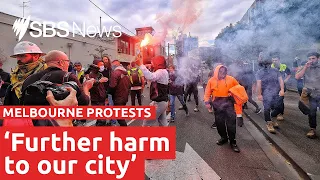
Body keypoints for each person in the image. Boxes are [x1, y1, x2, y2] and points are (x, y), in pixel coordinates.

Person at [21, 50, 94, 126]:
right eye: (67, 61)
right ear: (61, 62)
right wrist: (86, 87)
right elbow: (84, 102)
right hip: (59, 124)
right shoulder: (68, 77)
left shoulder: (29, 79)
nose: (68, 65)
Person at [204, 65, 240, 152]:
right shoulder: (211, 81)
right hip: (217, 103)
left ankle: (233, 142)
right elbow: (207, 92)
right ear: (217, 72)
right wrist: (207, 103)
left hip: (229, 103)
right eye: (221, 72)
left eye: (224, 72)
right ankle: (223, 138)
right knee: (219, 123)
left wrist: (234, 93)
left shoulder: (231, 79)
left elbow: (238, 88)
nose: (223, 74)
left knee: (231, 123)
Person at [4, 41, 47, 105]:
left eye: (22, 56)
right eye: (17, 56)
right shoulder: (14, 76)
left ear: (36, 56)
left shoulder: (46, 74)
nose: (18, 59)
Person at [136, 55, 169, 127]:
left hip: (159, 103)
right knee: (163, 124)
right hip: (161, 102)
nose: (152, 63)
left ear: (158, 63)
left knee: (146, 123)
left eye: (154, 62)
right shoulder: (163, 71)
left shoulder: (161, 71)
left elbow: (151, 77)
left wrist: (141, 65)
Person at [256, 59, 285, 134]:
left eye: (268, 64)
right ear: (262, 65)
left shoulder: (275, 70)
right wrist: (259, 94)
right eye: (265, 64)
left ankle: (273, 119)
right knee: (267, 108)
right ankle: (269, 123)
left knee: (278, 107)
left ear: (270, 64)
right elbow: (258, 84)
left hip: (276, 91)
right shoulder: (259, 72)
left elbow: (280, 80)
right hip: (265, 92)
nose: (267, 66)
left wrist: (282, 89)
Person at [295, 52, 320, 138]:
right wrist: (305, 67)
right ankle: (312, 129)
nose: (311, 60)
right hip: (310, 93)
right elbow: (297, 77)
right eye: (309, 59)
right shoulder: (304, 67)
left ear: (318, 59)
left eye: (313, 58)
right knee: (312, 112)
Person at [108, 59, 131, 126]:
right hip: (124, 96)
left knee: (119, 117)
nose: (112, 67)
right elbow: (129, 85)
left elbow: (112, 86)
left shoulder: (115, 73)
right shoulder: (125, 73)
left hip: (118, 97)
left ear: (115, 65)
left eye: (112, 65)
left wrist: (109, 94)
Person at [87, 60, 109, 126]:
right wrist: (99, 81)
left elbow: (103, 86)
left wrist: (106, 96)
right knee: (100, 117)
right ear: (95, 65)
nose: (102, 66)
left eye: (103, 64)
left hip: (101, 97)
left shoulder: (100, 74)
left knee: (101, 117)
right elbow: (91, 85)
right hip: (96, 98)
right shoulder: (91, 74)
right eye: (101, 64)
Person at [271, 53, 291, 121]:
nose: (274, 61)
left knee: (280, 100)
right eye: (273, 60)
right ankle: (274, 111)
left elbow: (289, 74)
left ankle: (280, 114)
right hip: (272, 86)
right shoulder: (270, 67)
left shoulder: (284, 66)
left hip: (281, 86)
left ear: (279, 60)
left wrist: (285, 80)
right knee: (273, 100)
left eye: (276, 60)